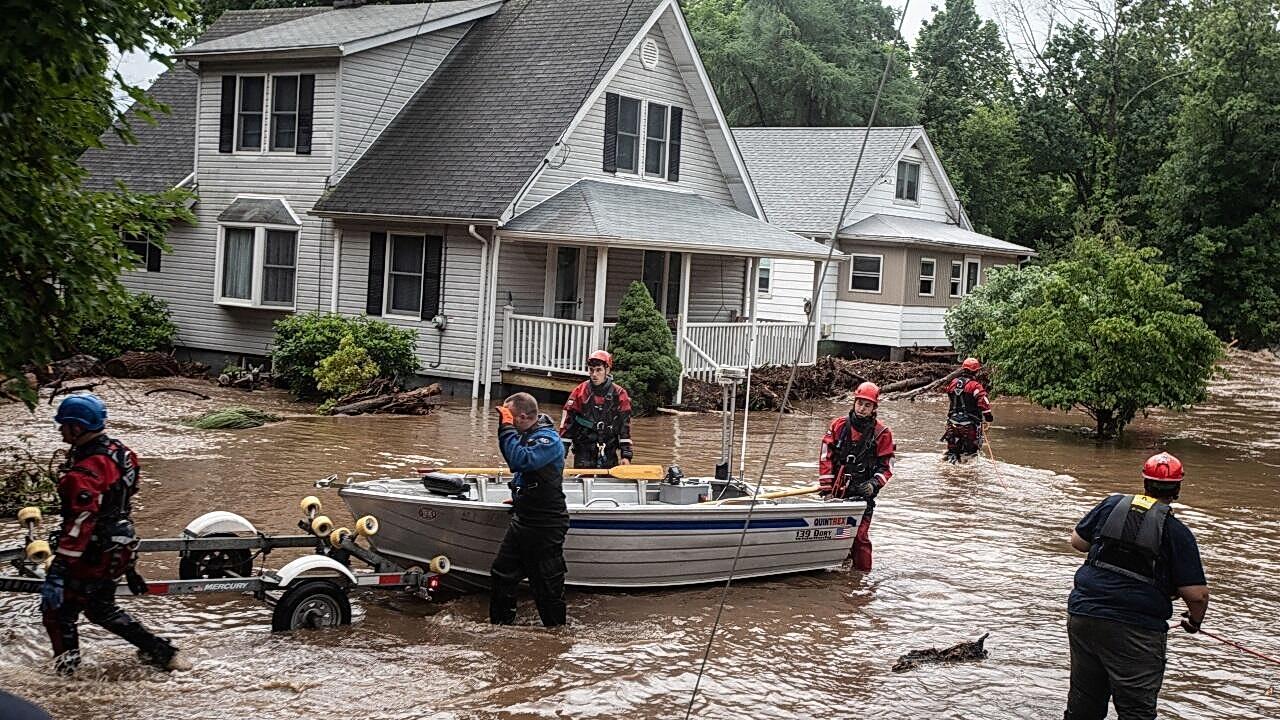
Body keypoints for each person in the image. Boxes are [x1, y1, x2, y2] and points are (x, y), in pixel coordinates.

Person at [42, 393, 190, 675]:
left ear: (77, 428)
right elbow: (124, 497)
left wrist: (60, 567)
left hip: (92, 551)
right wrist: (130, 566)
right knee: (100, 608)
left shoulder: (84, 472)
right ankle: (163, 652)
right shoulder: (122, 454)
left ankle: (66, 677)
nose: (60, 430)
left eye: (64, 425)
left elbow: (81, 520)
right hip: (120, 544)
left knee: (59, 613)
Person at [1065, 452, 1209, 720]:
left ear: (1144, 482)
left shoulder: (1111, 505)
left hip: (1084, 616)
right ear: (1177, 488)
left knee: (1084, 705)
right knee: (1136, 712)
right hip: (1136, 631)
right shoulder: (1177, 532)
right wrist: (1193, 622)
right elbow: (1197, 596)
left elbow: (1078, 542)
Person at [490, 392, 570, 627]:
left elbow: (520, 461)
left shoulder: (549, 440)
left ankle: (557, 637)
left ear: (523, 417)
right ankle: (500, 627)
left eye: (510, 418)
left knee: (546, 585)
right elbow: (523, 474)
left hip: (547, 523)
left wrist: (505, 428)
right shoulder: (526, 433)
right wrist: (519, 497)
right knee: (502, 573)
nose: (508, 424)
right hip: (524, 518)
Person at [818, 381, 895, 571]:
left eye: (867, 405)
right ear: (854, 402)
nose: (862, 408)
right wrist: (827, 488)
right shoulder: (839, 425)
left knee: (860, 537)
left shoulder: (882, 433)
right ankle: (834, 571)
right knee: (831, 535)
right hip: (837, 492)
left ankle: (862, 578)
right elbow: (825, 456)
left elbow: (887, 466)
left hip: (863, 495)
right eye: (859, 403)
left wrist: (874, 484)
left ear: (874, 407)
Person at [559, 350, 633, 469]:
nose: (594, 374)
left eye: (598, 370)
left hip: (608, 452)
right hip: (583, 451)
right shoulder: (579, 392)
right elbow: (567, 426)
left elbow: (625, 427)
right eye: (591, 370)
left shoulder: (619, 394)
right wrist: (561, 456)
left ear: (607, 370)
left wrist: (626, 456)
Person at [942, 357, 993, 463]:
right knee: (971, 454)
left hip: (952, 423)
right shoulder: (975, 386)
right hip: (969, 425)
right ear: (976, 371)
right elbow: (983, 402)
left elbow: (950, 395)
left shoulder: (953, 383)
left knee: (952, 452)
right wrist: (988, 417)